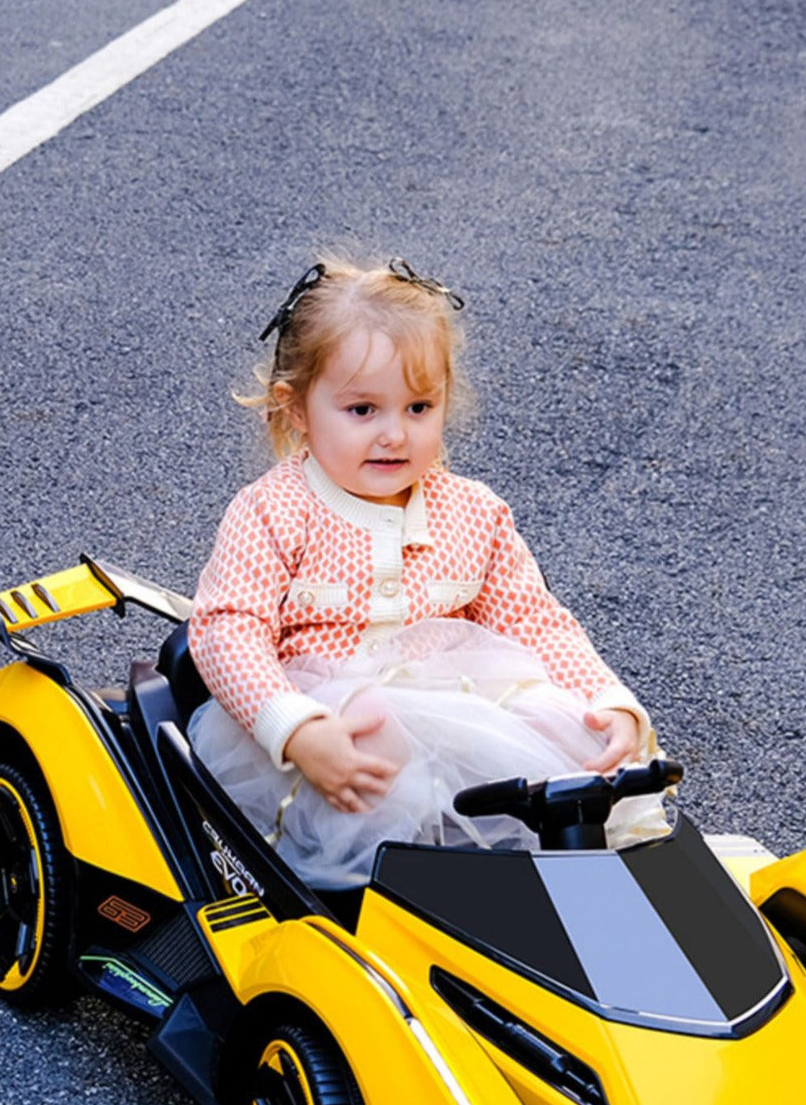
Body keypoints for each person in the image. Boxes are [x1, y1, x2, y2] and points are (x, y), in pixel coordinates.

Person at [187, 255, 666, 888]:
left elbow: (535, 623)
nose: (394, 435)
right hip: (330, 722)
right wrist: (295, 727)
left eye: (418, 407)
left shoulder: (472, 512)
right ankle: (395, 899)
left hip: (457, 702)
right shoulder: (275, 510)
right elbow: (226, 631)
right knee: (380, 741)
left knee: (577, 735)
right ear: (296, 408)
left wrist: (607, 702)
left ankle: (588, 884)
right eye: (362, 411)